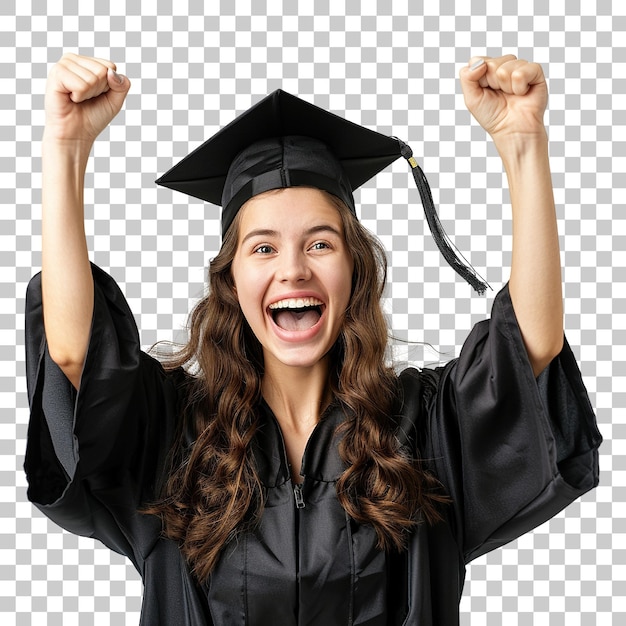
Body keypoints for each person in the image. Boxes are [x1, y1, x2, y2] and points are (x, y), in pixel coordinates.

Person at [24, 52, 601, 625]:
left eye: (321, 243)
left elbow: (530, 348)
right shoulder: (176, 438)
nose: (293, 270)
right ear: (231, 279)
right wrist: (67, 148)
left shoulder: (424, 431)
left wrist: (522, 142)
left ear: (356, 268)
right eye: (264, 248)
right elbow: (75, 354)